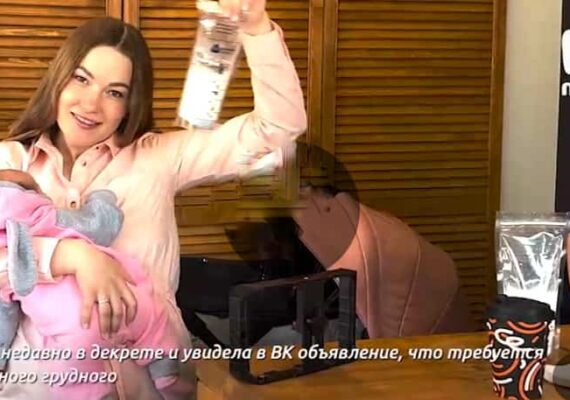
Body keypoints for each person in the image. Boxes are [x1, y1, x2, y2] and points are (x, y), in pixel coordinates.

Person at [0, 0, 307, 397]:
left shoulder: (159, 157)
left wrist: (256, 27)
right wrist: (69, 256)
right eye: (81, 79)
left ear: (130, 104)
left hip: (153, 385)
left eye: (114, 92)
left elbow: (278, 129)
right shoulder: (10, 162)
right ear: (58, 78)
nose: (91, 104)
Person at [0, 169, 179, 399]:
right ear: (29, 194)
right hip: (123, 295)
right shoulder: (45, 216)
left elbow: (3, 316)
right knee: (148, 313)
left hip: (68, 328)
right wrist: (102, 198)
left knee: (70, 368)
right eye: (35, 187)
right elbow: (99, 225)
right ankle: (164, 361)